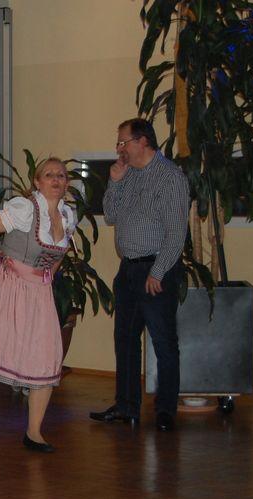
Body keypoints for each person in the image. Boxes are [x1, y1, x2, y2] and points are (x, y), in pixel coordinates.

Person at [0, 158, 78, 453]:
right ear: (37, 182)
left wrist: (47, 276)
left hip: (40, 292)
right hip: (10, 290)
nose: (56, 179)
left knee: (47, 358)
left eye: (61, 175)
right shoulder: (25, 209)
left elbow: (59, 253)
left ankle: (34, 433)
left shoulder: (66, 215)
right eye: (49, 175)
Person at [89, 118, 188, 432]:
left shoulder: (171, 177)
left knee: (163, 341)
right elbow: (111, 215)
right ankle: (126, 406)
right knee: (125, 340)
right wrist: (115, 181)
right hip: (129, 269)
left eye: (123, 142)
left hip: (156, 268)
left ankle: (165, 410)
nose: (119, 148)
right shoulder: (127, 173)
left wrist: (158, 272)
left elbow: (176, 234)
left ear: (143, 141)